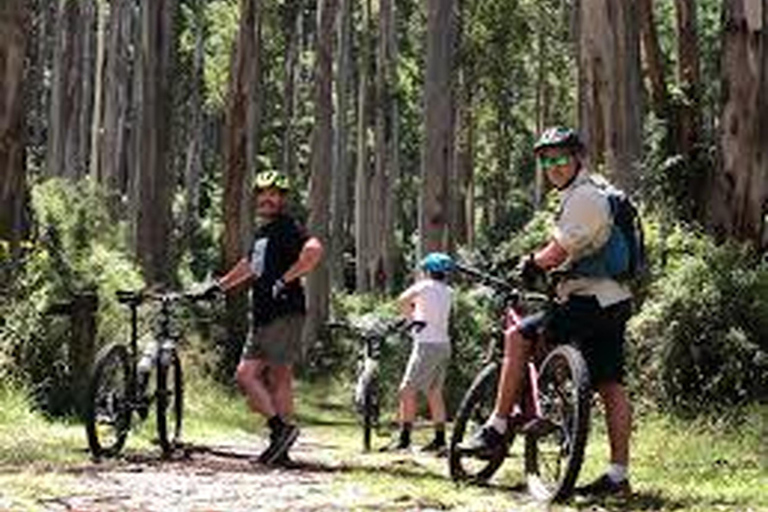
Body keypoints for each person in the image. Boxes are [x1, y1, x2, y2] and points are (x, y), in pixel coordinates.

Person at [461, 127, 634, 496]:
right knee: (610, 384)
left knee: (519, 335)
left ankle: (498, 424)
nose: (554, 166)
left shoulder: (585, 196)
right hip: (613, 300)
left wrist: (531, 264)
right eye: (547, 160)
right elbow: (572, 247)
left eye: (561, 158)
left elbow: (557, 250)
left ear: (578, 158)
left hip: (590, 301)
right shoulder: (591, 192)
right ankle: (618, 475)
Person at [202, 170, 323, 465]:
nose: (267, 198)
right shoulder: (262, 233)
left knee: (247, 375)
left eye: (274, 194)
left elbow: (314, 249)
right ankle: (281, 445)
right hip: (264, 313)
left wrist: (287, 278)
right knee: (278, 377)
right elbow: (250, 267)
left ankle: (280, 430)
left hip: (283, 312)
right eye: (263, 193)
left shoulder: (287, 227)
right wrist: (220, 286)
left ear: (282, 199)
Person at [385, 252, 454, 453]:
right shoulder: (448, 291)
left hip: (427, 345)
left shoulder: (423, 286)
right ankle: (440, 439)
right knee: (434, 392)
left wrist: (411, 319)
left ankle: (405, 439)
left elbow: (401, 300)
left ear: (427, 271)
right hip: (443, 345)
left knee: (406, 390)